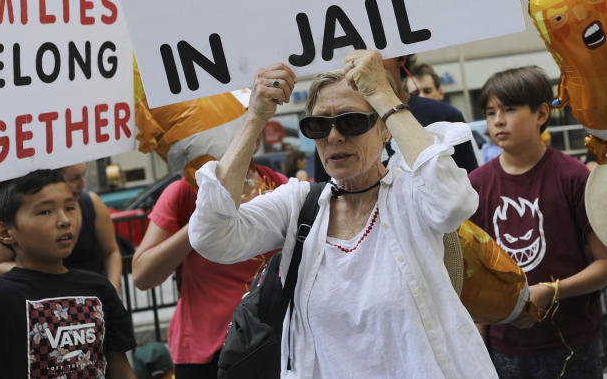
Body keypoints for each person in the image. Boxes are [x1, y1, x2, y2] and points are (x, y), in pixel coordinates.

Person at [188, 50, 496, 378]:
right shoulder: (298, 204)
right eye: (318, 125)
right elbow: (211, 236)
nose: (334, 136)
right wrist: (255, 117)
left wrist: (381, 94)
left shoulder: (413, 193)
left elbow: (453, 203)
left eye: (352, 121)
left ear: (384, 129)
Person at [469, 66, 607, 378]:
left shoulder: (574, 177)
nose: (498, 120)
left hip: (571, 343)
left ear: (541, 114)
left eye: (509, 109)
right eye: (490, 112)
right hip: (505, 348)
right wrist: (478, 344)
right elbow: (475, 275)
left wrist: (551, 291)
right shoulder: (475, 186)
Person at [0, 169, 137, 378]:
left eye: (70, 207)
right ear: (5, 232)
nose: (64, 220)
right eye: (45, 212)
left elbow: (122, 371)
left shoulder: (100, 289)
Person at [132, 156, 286, 378]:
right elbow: (142, 275)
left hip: (269, 344)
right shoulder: (185, 190)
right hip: (204, 354)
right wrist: (203, 216)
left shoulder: (277, 185)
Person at [313, 53, 478, 181]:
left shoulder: (445, 116)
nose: (361, 59)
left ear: (401, 58)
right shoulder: (331, 131)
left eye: (373, 52)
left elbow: (470, 191)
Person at [0, 163, 122, 293]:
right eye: (45, 212)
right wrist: (49, 279)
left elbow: (111, 252)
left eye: (70, 208)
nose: (83, 184)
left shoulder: (91, 203)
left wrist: (112, 291)